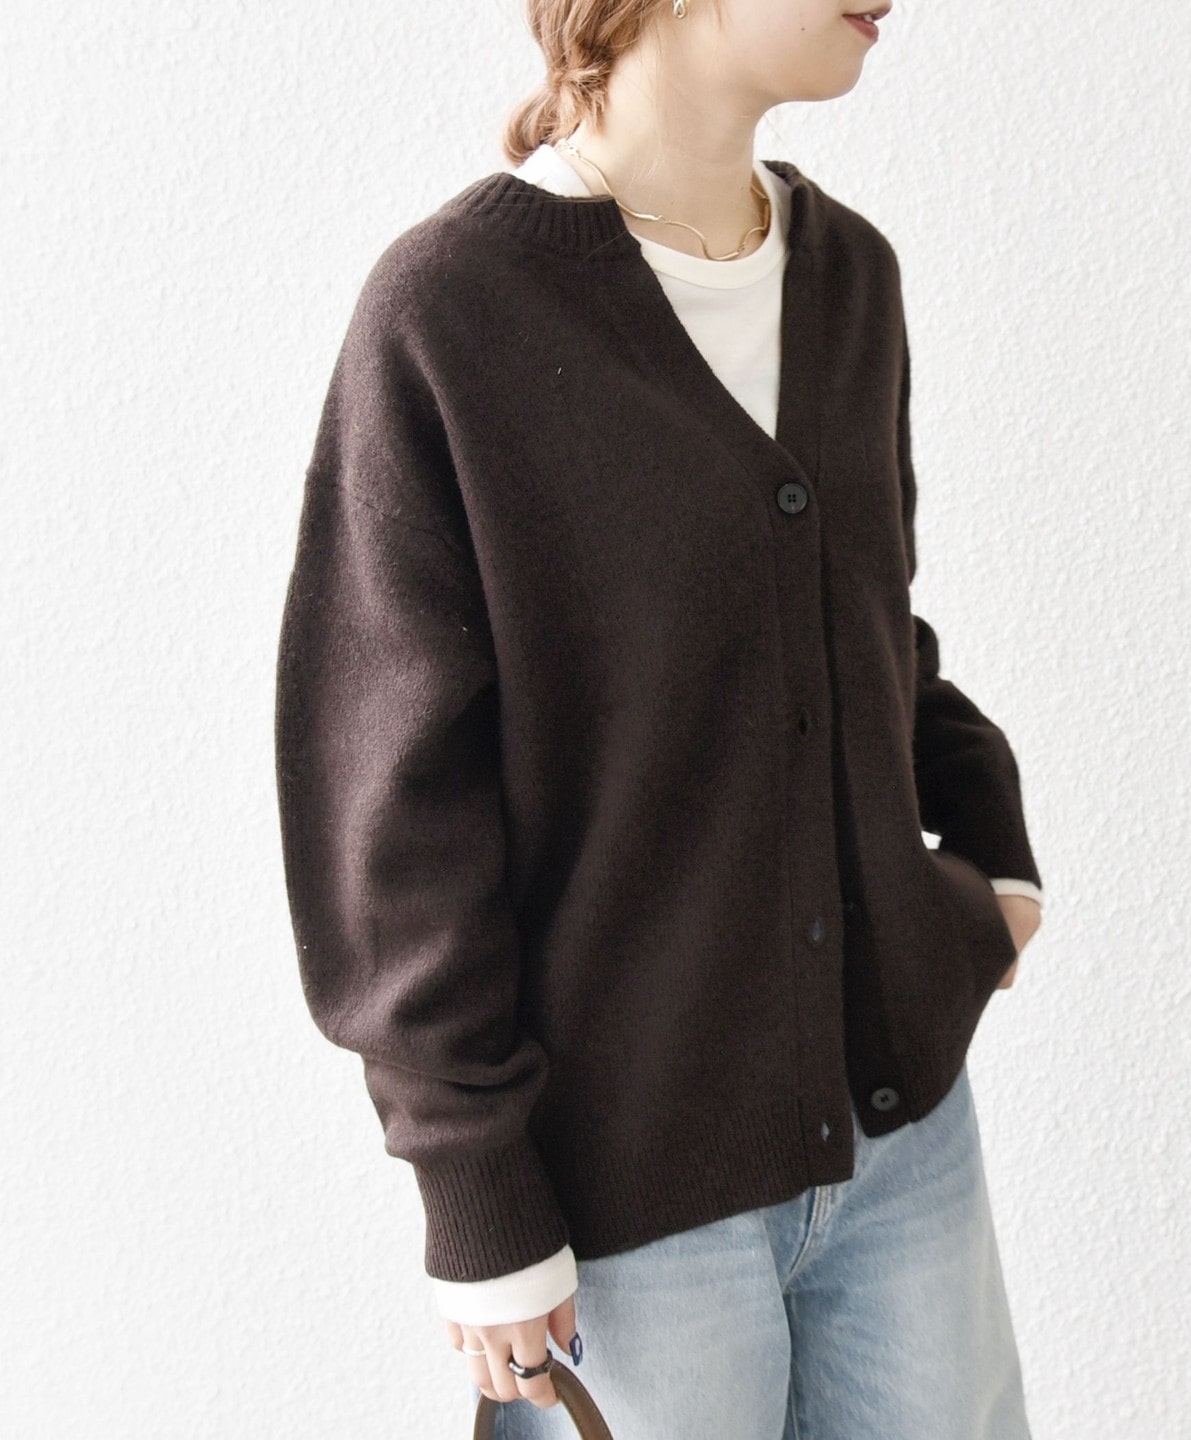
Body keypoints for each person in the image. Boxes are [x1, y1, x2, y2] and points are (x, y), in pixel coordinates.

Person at [273, 2, 1046, 1436]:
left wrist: (990, 836)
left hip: (905, 1146)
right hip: (629, 1206)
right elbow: (386, 800)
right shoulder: (451, 313)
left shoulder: (850, 278)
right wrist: (473, 1185)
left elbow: (867, 633)